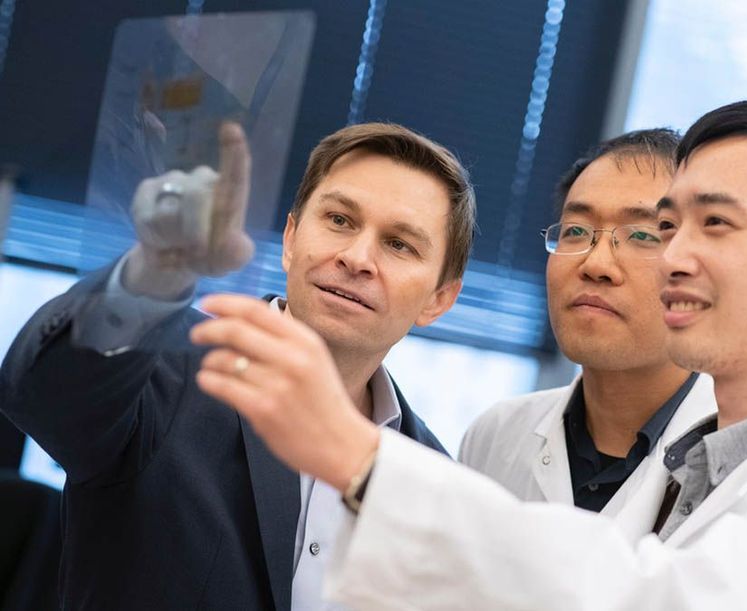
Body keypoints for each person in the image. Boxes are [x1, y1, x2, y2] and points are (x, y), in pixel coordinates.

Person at [192, 99, 747, 609]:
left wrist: (363, 460)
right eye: (670, 227)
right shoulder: (686, 466)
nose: (672, 256)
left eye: (714, 224)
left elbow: (654, 597)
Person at [0, 121, 476, 610]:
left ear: (439, 299)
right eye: (339, 220)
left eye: (399, 244)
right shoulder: (162, 361)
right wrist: (154, 272)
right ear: (291, 238)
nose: (356, 258)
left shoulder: (435, 486)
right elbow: (41, 393)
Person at [459, 129, 716, 535]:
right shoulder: (495, 437)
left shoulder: (743, 466)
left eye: (643, 236)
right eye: (576, 231)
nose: (596, 264)